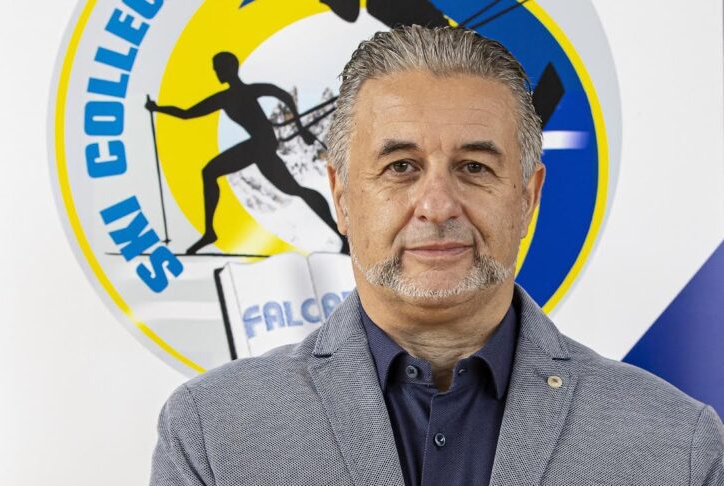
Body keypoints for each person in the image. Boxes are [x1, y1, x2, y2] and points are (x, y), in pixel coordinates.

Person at [150, 26, 723, 485]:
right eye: (401, 166)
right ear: (342, 197)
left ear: (528, 198)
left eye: (474, 167)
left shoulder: (677, 445)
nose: (437, 205)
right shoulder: (212, 435)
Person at [145, 51, 347, 255]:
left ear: (229, 69)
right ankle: (341, 234)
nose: (216, 72)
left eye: (218, 68)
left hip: (261, 144)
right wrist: (158, 108)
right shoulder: (226, 97)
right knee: (295, 190)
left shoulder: (241, 93)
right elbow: (187, 114)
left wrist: (301, 128)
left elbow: (283, 95)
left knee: (211, 172)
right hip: (261, 145)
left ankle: (210, 232)